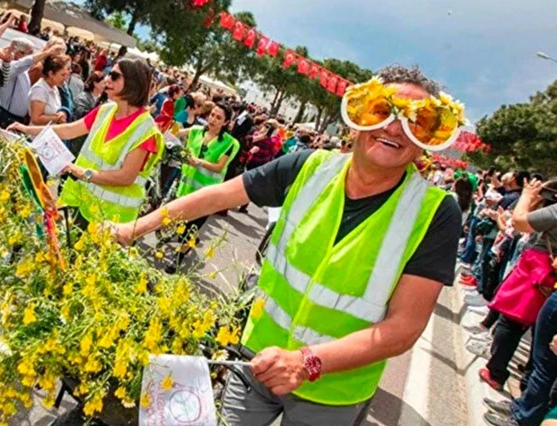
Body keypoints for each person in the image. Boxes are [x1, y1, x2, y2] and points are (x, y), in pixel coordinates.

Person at [113, 66, 464, 425]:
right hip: (255, 362)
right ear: (356, 119)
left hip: (333, 394)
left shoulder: (436, 213)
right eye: (381, 111)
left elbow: (404, 326)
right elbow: (216, 196)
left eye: (415, 122)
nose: (394, 128)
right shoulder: (308, 167)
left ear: (427, 140)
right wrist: (135, 227)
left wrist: (308, 361)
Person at [9, 58, 164, 228]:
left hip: (111, 221)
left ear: (132, 83)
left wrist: (82, 172)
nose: (107, 80)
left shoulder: (145, 130)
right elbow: (68, 130)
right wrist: (26, 129)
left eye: (114, 76)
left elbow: (126, 177)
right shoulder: (106, 110)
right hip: (81, 205)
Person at [482, 178, 557, 426]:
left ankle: (524, 416)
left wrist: (526, 195)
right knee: (542, 355)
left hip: (541, 277)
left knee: (544, 359)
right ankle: (524, 407)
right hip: (549, 282)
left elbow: (519, 222)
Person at [166, 103, 239, 272]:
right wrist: (173, 118)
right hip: (185, 187)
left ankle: (178, 258)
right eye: (212, 115)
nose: (213, 119)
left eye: (218, 117)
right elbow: (174, 132)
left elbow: (219, 166)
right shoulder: (196, 131)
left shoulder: (230, 143)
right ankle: (188, 241)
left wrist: (199, 162)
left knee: (192, 226)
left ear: (226, 122)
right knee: (180, 221)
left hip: (206, 193)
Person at [0, 39, 64, 128]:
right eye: (29, 53)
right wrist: (47, 52)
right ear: (18, 53)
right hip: (5, 117)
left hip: (17, 119)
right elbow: (26, 62)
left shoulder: (24, 70)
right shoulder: (10, 68)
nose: (32, 56)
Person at [27, 54, 70, 125]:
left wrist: (62, 113)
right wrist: (57, 118)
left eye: (66, 75)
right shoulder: (40, 90)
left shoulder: (54, 88)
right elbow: (36, 119)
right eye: (62, 75)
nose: (65, 78)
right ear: (51, 74)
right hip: (37, 134)